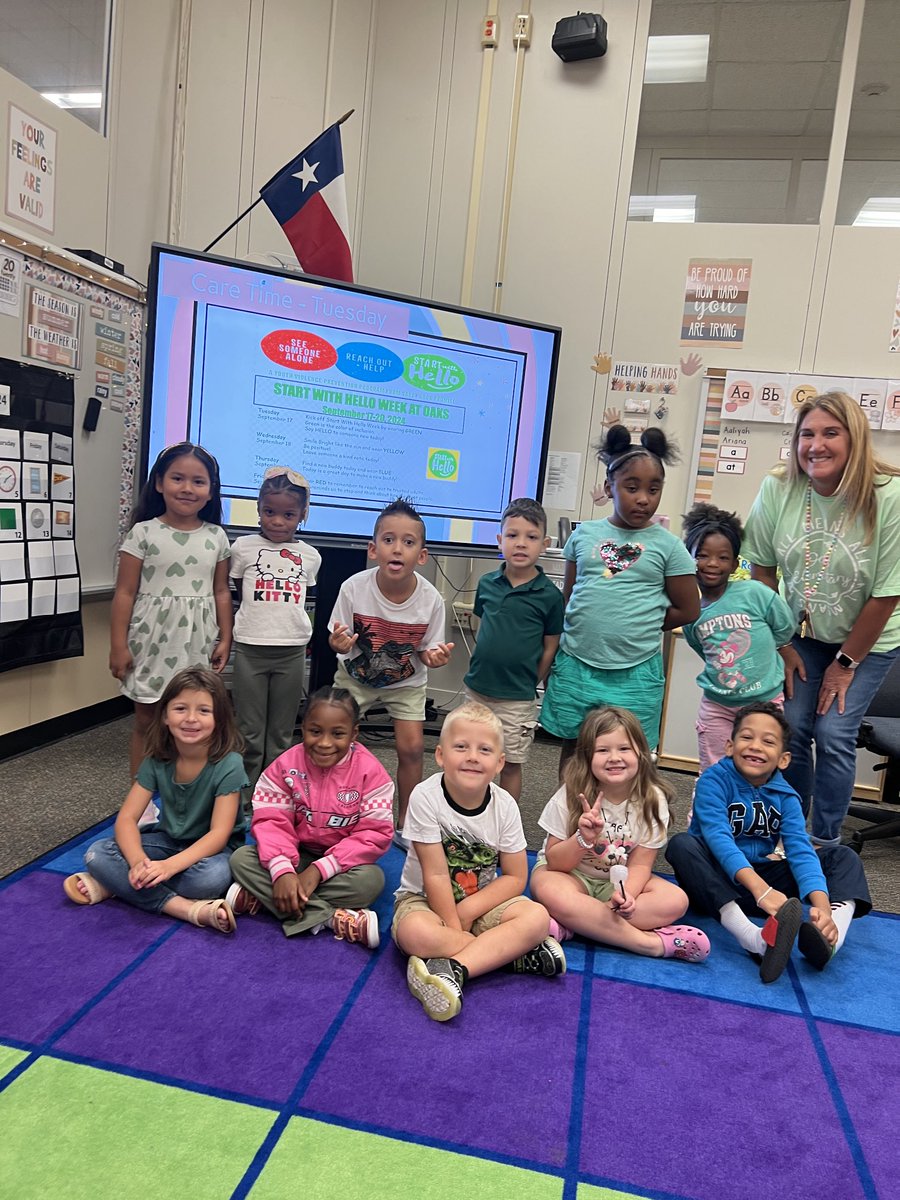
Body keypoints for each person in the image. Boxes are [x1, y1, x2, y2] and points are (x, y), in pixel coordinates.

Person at [742, 391, 900, 846]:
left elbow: (885, 594)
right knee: (791, 728)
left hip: (869, 636)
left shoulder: (887, 496)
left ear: (854, 440)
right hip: (802, 632)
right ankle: (793, 834)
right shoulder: (780, 486)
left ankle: (825, 842)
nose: (816, 445)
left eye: (831, 433)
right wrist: (781, 643)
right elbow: (763, 569)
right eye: (807, 434)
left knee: (833, 733)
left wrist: (844, 666)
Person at [667, 702, 872, 983]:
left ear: (783, 759)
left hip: (762, 883)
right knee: (681, 844)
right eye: (747, 737)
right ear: (729, 746)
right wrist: (761, 892)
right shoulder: (713, 781)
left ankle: (829, 934)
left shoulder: (786, 796)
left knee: (843, 857)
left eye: (768, 741)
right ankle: (752, 938)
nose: (755, 746)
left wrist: (821, 905)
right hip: (714, 883)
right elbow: (718, 838)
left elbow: (800, 849)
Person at [393, 701, 565, 1022]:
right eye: (461, 747)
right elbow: (435, 874)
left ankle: (454, 968)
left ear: (500, 763)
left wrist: (469, 911)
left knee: (537, 917)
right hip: (425, 899)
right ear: (441, 755)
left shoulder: (506, 806)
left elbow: (515, 877)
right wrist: (456, 923)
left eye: (484, 750)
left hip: (480, 902)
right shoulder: (424, 796)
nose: (473, 756)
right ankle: (506, 955)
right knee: (416, 934)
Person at [540, 425, 699, 772]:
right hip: (578, 663)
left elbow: (689, 608)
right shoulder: (585, 536)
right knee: (576, 752)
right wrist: (552, 657)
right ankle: (568, 822)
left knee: (626, 759)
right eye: (632, 487)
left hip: (635, 670)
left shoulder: (669, 546)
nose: (643, 498)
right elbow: (567, 601)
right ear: (610, 486)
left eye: (653, 489)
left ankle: (623, 826)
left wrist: (646, 618)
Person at [63, 668, 247, 933]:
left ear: (219, 718)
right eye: (181, 708)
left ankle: (116, 886)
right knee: (97, 853)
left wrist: (167, 867)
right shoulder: (157, 760)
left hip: (213, 852)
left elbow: (219, 834)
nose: (191, 719)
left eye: (204, 711)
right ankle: (185, 909)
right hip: (169, 841)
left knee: (211, 879)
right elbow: (126, 819)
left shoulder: (230, 764)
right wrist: (138, 862)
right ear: (164, 716)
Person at [530, 705, 710, 964]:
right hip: (570, 876)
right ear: (587, 757)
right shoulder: (572, 794)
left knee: (676, 900)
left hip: (615, 885)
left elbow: (641, 864)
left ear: (641, 753)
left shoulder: (652, 801)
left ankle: (575, 924)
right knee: (546, 887)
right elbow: (555, 863)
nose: (614, 757)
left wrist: (627, 895)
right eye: (603, 750)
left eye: (624, 749)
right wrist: (583, 839)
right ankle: (652, 944)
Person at [328, 497, 453, 849]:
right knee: (337, 741)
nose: (397, 549)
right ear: (372, 549)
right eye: (388, 540)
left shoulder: (431, 600)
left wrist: (435, 658)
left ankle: (406, 823)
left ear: (422, 555)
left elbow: (428, 652)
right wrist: (338, 643)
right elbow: (338, 642)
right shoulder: (353, 587)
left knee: (412, 748)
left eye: (408, 542)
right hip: (355, 677)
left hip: (406, 683)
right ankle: (332, 812)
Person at [228, 686, 393, 946]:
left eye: (337, 734)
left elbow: (373, 835)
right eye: (315, 732)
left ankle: (265, 899)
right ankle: (329, 918)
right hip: (293, 855)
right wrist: (282, 871)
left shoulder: (372, 773)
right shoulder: (284, 766)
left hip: (342, 864)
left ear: (354, 733)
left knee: (371, 882)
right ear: (303, 729)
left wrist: (320, 870)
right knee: (240, 859)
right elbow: (272, 823)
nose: (325, 743)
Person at [109, 442, 233, 778]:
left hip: (196, 642)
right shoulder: (143, 533)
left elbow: (221, 591)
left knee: (195, 719)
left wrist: (226, 637)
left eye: (198, 481)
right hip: (151, 641)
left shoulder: (217, 537)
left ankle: (190, 792)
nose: (187, 488)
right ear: (160, 483)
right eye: (178, 478)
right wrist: (118, 646)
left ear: (211, 492)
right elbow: (124, 592)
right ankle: (143, 795)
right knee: (147, 720)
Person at [463, 497, 564, 800]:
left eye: (531, 537)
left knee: (510, 764)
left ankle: (505, 824)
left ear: (544, 543)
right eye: (512, 535)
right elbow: (483, 627)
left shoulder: (549, 596)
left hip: (517, 698)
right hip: (478, 689)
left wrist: (531, 681)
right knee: (470, 758)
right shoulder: (487, 584)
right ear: (499, 540)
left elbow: (550, 647)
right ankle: (467, 814)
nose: (521, 544)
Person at [681, 502, 795, 771]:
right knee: (714, 771)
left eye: (722, 557)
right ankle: (708, 814)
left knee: (759, 770)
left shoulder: (755, 593)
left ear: (734, 564)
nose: (712, 564)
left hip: (764, 703)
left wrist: (779, 648)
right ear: (688, 558)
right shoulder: (692, 612)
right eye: (703, 555)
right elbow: (704, 650)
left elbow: (784, 626)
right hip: (717, 706)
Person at [229, 466, 321, 793]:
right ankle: (242, 795)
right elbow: (241, 592)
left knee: (281, 733)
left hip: (291, 652)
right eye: (269, 512)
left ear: (302, 516)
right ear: (258, 508)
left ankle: (274, 794)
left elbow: (302, 600)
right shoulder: (242, 548)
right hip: (251, 650)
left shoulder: (311, 556)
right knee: (250, 730)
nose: (278, 521)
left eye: (288, 514)